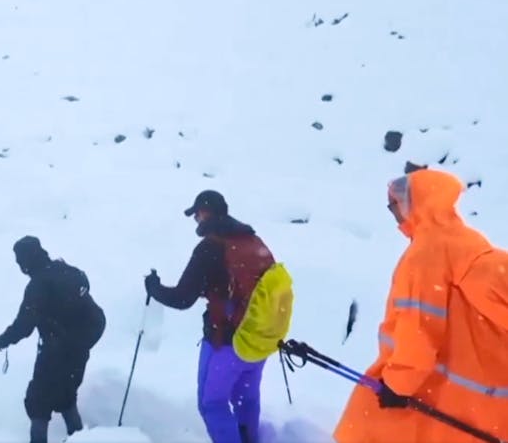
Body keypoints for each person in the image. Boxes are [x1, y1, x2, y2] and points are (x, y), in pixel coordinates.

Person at [334, 169, 508, 443]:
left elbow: (419, 327)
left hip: (442, 389)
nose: (394, 214)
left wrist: (398, 384)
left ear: (417, 203)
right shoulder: (468, 240)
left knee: (366, 425)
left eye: (395, 205)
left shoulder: (425, 255)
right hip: (483, 388)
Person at [145, 190, 291, 443]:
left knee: (212, 403)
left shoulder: (210, 248)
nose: (196, 221)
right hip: (259, 339)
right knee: (246, 398)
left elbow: (182, 298)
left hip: (226, 342)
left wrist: (154, 288)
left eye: (196, 215)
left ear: (204, 213)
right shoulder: (252, 240)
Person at [0, 236, 106, 443]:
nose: (19, 266)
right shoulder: (65, 271)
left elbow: (23, 326)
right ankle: (79, 437)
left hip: (57, 352)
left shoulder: (38, 286)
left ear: (27, 260)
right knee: (66, 397)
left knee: (38, 402)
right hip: (79, 350)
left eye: (20, 261)